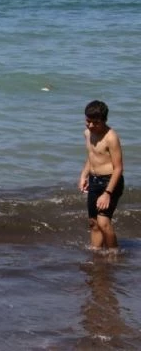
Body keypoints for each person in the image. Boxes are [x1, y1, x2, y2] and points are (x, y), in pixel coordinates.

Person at [78, 100, 124, 252]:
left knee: (103, 222)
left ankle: (114, 255)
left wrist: (107, 194)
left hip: (110, 182)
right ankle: (96, 254)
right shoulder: (87, 133)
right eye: (88, 121)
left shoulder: (111, 137)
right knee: (93, 222)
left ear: (104, 120)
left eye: (95, 122)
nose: (90, 126)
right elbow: (92, 157)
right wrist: (83, 176)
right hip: (94, 180)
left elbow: (118, 168)